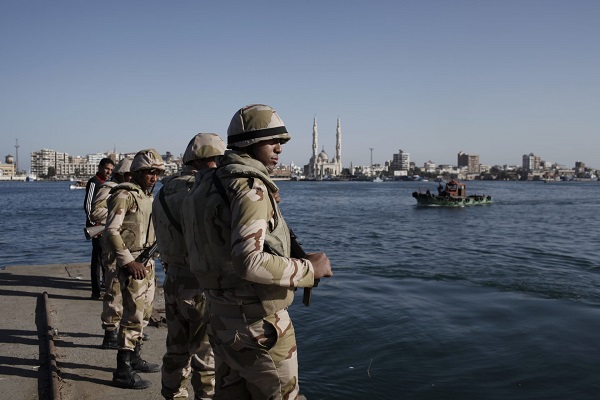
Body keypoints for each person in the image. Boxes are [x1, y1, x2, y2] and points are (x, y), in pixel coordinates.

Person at [182, 104, 333, 400]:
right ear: (250, 142)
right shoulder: (250, 187)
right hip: (258, 327)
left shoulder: (205, 187)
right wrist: (309, 269)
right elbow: (248, 262)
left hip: (221, 320)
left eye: (281, 141)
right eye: (272, 140)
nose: (279, 148)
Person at [153, 133, 226, 399]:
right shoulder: (202, 191)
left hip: (173, 280)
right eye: (218, 160)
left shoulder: (163, 191)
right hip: (200, 285)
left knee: (176, 350)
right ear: (205, 161)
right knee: (206, 357)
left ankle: (172, 395)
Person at [105, 149, 164, 389]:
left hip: (147, 262)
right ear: (137, 172)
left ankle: (135, 358)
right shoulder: (124, 195)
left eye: (157, 173)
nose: (154, 177)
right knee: (132, 317)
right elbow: (111, 231)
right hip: (134, 263)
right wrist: (128, 262)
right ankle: (123, 370)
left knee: (144, 314)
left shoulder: (146, 196)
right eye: (149, 172)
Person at [89, 157, 133, 350]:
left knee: (129, 290)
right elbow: (95, 212)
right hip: (113, 246)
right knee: (113, 289)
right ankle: (110, 333)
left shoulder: (130, 189)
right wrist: (120, 213)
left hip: (128, 244)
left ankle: (126, 330)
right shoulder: (109, 188)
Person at [84, 157, 115, 300]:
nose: (109, 172)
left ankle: (104, 286)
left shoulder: (106, 184)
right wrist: (94, 225)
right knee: (98, 260)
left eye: (111, 170)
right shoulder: (94, 182)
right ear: (100, 167)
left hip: (105, 227)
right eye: (107, 169)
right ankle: (96, 291)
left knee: (104, 258)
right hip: (97, 228)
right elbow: (88, 205)